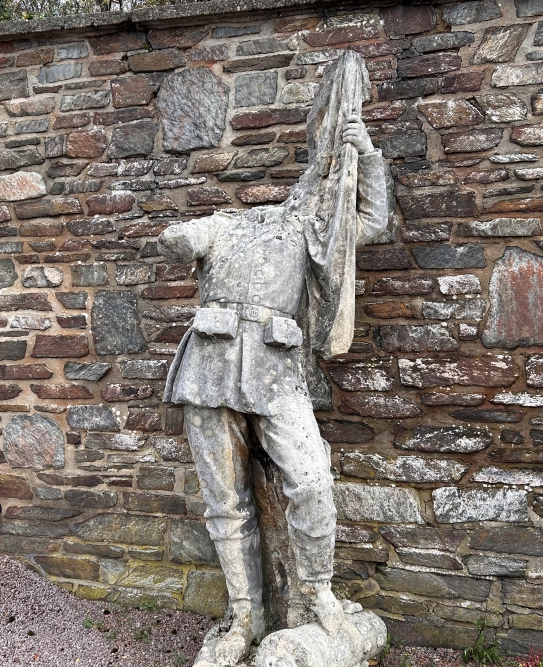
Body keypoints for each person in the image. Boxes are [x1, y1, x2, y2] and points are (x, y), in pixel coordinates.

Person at [158, 52, 389, 667]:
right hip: (208, 366)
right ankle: (241, 618)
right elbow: (179, 236)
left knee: (312, 479)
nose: (315, 182)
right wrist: (190, 236)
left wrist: (366, 156)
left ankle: (317, 595)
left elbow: (371, 222)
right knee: (224, 501)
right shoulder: (233, 223)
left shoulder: (311, 230)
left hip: (277, 371)